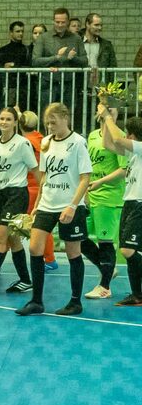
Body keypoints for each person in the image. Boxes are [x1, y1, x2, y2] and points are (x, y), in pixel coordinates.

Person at [17, 103, 92, 317]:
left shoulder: (78, 142)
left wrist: (73, 206)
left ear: (65, 118)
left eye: (53, 122)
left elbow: (85, 177)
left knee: (73, 252)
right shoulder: (46, 142)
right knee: (34, 248)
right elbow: (44, 176)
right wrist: (37, 205)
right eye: (47, 123)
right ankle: (36, 301)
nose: (50, 126)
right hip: (47, 204)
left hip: (69, 205)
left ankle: (75, 302)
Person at [0, 106, 37, 295]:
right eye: (1, 118)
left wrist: (43, 196)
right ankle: (26, 280)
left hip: (17, 194)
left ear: (15, 122)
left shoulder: (22, 144)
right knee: (13, 239)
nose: (4, 122)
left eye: (8, 119)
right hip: (2, 194)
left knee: (0, 238)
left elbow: (36, 170)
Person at [97, 103, 142, 307]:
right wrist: (107, 119)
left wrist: (108, 116)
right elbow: (108, 143)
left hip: (139, 203)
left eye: (129, 134)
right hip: (130, 202)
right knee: (130, 251)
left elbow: (117, 139)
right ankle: (137, 295)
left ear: (133, 136)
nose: (127, 137)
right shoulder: (134, 153)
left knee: (127, 250)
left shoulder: (141, 148)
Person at [80, 102, 126, 299]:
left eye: (111, 109)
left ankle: (105, 287)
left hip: (109, 196)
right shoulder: (92, 136)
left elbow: (124, 169)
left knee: (105, 242)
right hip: (91, 195)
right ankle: (107, 268)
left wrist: (100, 182)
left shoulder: (120, 136)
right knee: (78, 237)